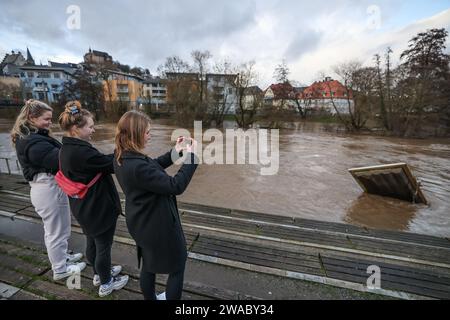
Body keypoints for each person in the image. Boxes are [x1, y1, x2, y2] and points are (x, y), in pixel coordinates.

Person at [114, 110, 198, 300]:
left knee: (149, 264)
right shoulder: (136, 165)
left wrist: (175, 153)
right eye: (147, 132)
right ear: (135, 134)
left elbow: (153, 166)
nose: (150, 136)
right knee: (177, 266)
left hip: (140, 221)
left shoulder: (122, 156)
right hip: (158, 224)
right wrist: (192, 158)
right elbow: (175, 186)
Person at [58, 101, 128, 297]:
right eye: (89, 126)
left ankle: (99, 273)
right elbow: (111, 163)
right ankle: (106, 283)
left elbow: (101, 162)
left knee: (92, 242)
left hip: (83, 208)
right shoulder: (82, 152)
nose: (93, 129)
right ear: (75, 128)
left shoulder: (67, 148)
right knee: (104, 247)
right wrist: (125, 144)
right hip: (98, 208)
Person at [11, 99, 85, 280]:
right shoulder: (32, 141)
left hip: (52, 187)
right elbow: (58, 160)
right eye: (46, 119)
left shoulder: (35, 135)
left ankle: (63, 256)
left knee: (63, 226)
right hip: (47, 189)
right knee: (55, 230)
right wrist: (75, 140)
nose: (50, 122)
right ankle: (60, 269)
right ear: (31, 117)